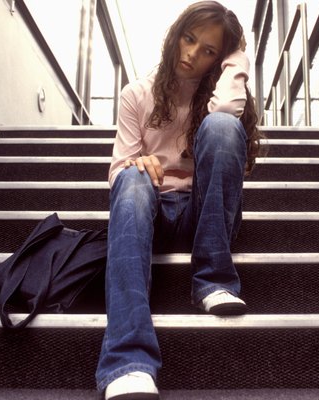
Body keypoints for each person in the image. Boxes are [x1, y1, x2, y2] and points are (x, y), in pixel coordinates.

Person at [95, 1, 263, 399]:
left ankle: (213, 281)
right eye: (189, 39)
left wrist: (238, 56)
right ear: (175, 36)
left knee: (222, 124)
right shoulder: (137, 94)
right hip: (149, 215)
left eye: (209, 50)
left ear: (220, 59)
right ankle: (127, 362)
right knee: (133, 175)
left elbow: (225, 113)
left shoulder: (217, 93)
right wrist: (140, 164)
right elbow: (117, 173)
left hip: (202, 216)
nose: (192, 54)